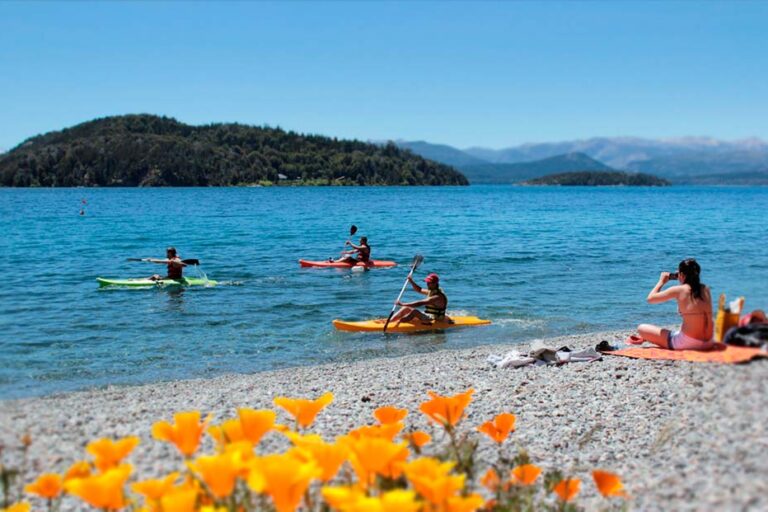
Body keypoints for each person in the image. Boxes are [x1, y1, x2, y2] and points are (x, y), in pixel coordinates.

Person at [633, 258, 713, 350]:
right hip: (709, 342)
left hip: (689, 343)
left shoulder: (678, 290)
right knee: (677, 331)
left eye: (678, 274)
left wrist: (661, 282)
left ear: (682, 275)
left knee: (641, 328)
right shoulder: (706, 289)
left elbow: (650, 299)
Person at [387, 273, 452, 326]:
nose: (427, 284)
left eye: (429, 283)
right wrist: (411, 281)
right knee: (405, 308)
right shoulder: (432, 291)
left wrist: (402, 304)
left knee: (414, 312)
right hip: (429, 315)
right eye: (427, 282)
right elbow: (419, 289)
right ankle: (390, 321)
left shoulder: (438, 296)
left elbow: (420, 303)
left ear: (435, 283)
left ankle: (401, 322)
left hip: (435, 319)